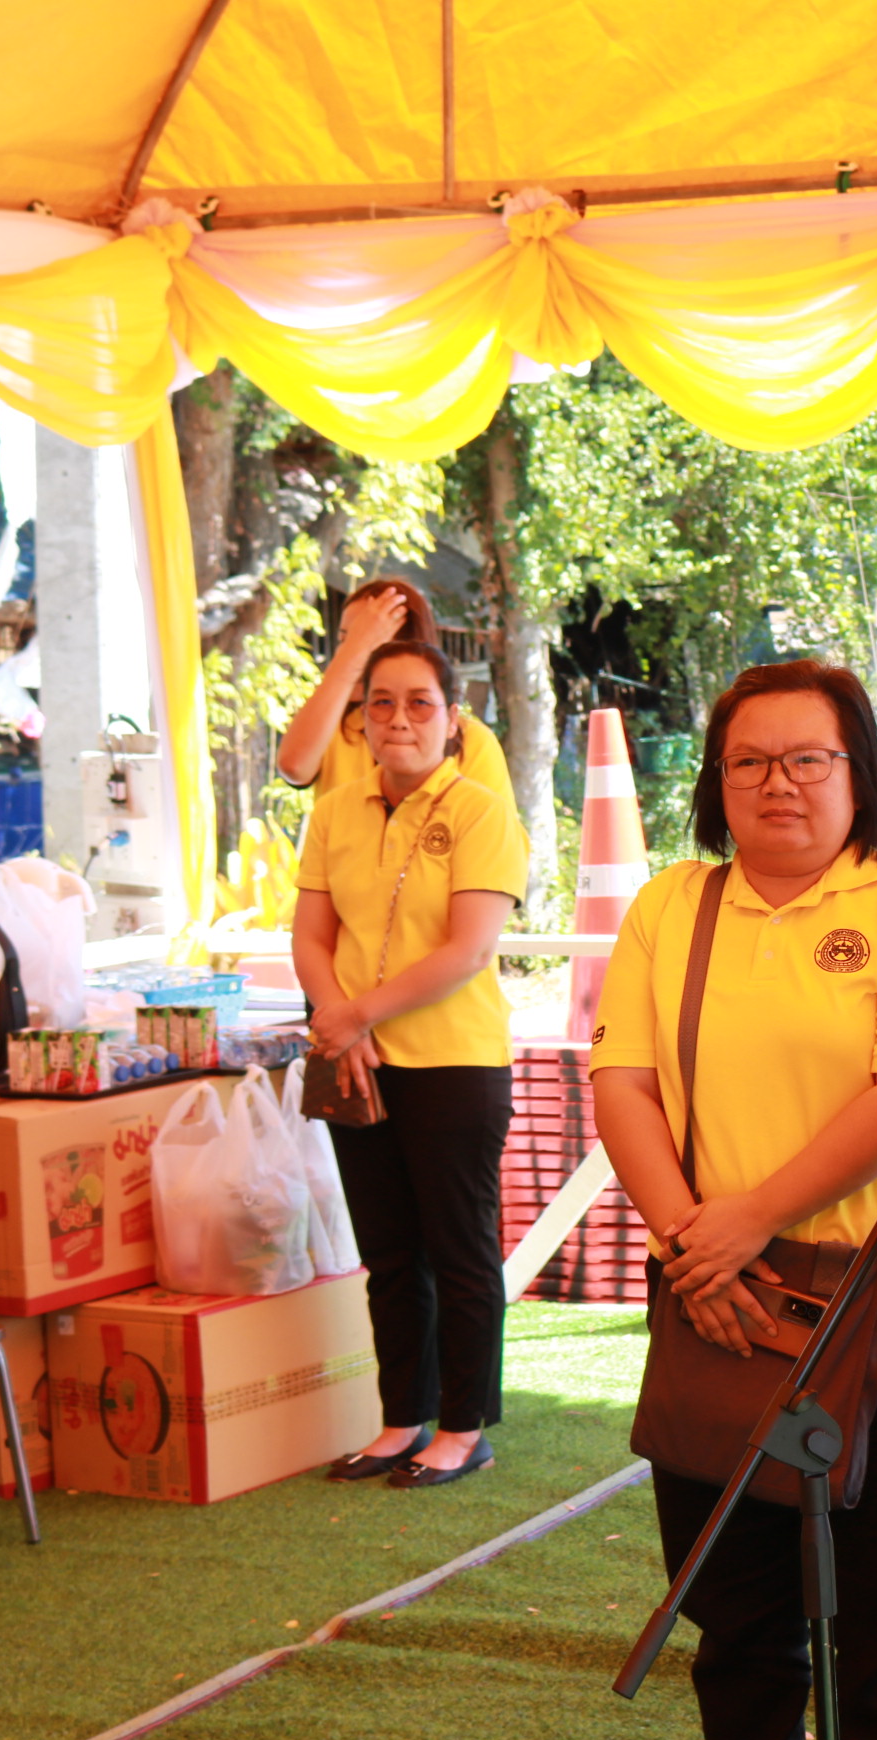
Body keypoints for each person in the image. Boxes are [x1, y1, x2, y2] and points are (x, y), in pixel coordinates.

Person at [590, 660, 877, 1740]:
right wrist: (691, 1240)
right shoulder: (673, 905)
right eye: (750, 761)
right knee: (732, 1585)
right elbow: (622, 1082)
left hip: (876, 1296)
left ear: (861, 772)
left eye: (810, 758)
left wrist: (744, 1219)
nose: (779, 784)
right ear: (717, 780)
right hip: (711, 1282)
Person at [296, 639, 526, 1487]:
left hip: (454, 1064)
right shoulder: (333, 811)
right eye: (381, 703)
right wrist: (342, 1026)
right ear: (359, 720)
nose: (398, 719)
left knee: (459, 1252)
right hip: (357, 1059)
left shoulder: (481, 812)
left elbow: (468, 951)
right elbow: (311, 937)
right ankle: (401, 1421)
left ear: (453, 720)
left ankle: (464, 1429)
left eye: (419, 702)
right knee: (389, 1255)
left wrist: (352, 1015)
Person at [277, 577, 517, 806]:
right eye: (344, 642)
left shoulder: (472, 742)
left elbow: (493, 831)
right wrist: (352, 655)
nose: (350, 656)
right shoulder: (336, 728)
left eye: (368, 642)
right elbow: (294, 766)